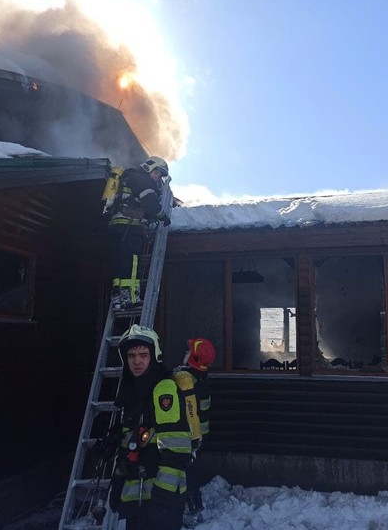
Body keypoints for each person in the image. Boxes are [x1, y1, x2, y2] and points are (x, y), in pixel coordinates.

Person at [108, 324, 192, 530]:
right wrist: (118, 481)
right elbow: (132, 445)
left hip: (159, 501)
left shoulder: (163, 389)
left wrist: (162, 497)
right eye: (131, 356)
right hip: (139, 499)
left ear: (154, 357)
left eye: (143, 355)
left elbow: (177, 450)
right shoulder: (134, 391)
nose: (137, 361)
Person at [107, 156, 171, 311]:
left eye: (160, 176)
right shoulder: (142, 179)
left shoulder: (129, 178)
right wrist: (164, 217)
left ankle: (118, 298)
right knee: (133, 262)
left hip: (118, 226)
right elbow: (151, 204)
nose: (157, 177)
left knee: (121, 263)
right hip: (131, 227)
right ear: (149, 167)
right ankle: (131, 298)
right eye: (157, 173)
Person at [172, 338, 216, 527]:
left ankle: (192, 512)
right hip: (197, 437)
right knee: (189, 472)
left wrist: (193, 439)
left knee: (185, 474)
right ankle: (194, 509)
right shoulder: (201, 378)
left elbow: (191, 411)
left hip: (188, 437)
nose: (185, 354)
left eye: (188, 352)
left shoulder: (186, 379)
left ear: (194, 358)